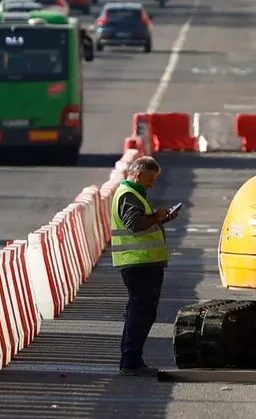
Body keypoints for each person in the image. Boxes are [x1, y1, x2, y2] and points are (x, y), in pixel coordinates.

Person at [111, 156, 179, 375]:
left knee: (138, 312)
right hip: (138, 263)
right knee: (141, 313)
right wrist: (155, 216)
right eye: (150, 179)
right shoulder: (128, 195)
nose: (152, 184)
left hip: (141, 262)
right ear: (139, 175)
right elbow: (135, 223)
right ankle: (130, 362)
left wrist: (161, 218)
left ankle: (131, 359)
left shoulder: (133, 194)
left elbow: (142, 222)